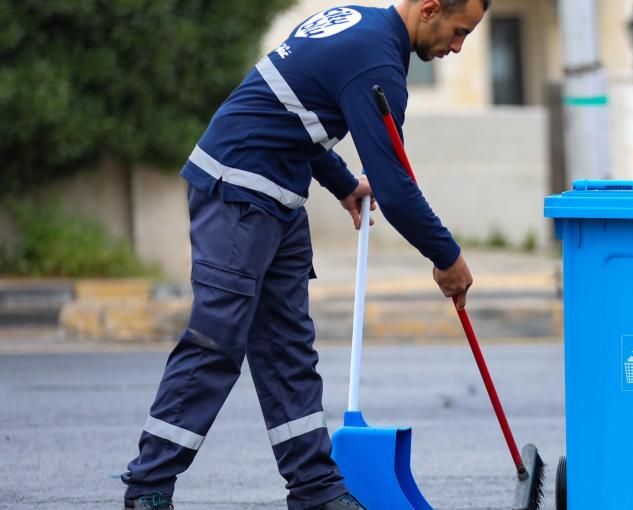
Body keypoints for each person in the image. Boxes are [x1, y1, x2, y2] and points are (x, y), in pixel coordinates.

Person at [120, 1, 489, 509]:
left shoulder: (356, 21)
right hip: (239, 189)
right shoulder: (378, 60)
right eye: (459, 31)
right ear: (429, 9)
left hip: (280, 197)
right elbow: (396, 188)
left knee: (287, 351)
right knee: (216, 342)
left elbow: (295, 109)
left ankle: (316, 491)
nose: (457, 46)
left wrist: (342, 185)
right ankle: (148, 488)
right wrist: (447, 258)